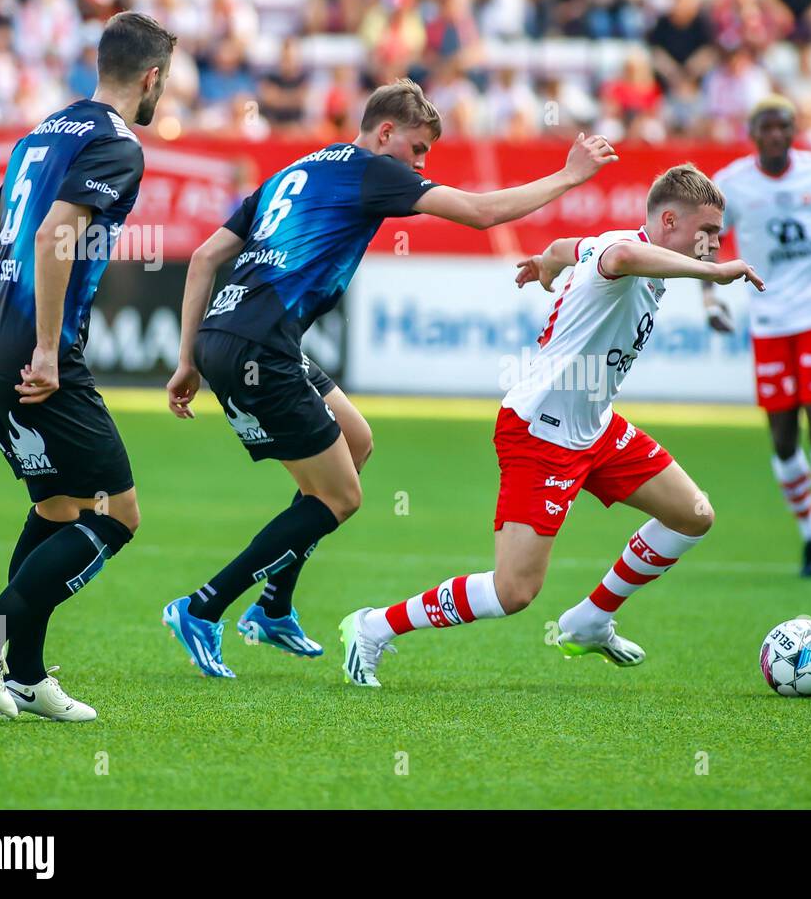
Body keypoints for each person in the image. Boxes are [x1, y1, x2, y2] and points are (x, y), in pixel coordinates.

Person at [161, 78, 618, 677]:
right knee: (341, 496)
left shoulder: (294, 170)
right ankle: (202, 608)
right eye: (419, 148)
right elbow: (479, 213)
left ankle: (273, 606)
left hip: (233, 332)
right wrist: (568, 177)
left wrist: (188, 357)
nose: (421, 164)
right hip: (261, 342)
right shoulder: (374, 169)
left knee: (356, 442)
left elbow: (203, 258)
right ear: (384, 134)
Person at [339, 164, 764, 687]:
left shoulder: (626, 253)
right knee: (513, 592)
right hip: (540, 431)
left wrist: (544, 263)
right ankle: (373, 626)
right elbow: (620, 256)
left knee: (694, 515)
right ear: (670, 220)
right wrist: (714, 274)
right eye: (708, 233)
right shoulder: (626, 251)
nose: (715, 244)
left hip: (597, 428)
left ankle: (590, 619)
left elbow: (569, 246)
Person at [0, 12, 177, 721]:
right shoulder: (118, 145)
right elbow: (53, 236)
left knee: (54, 509)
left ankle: (25, 675)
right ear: (152, 78)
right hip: (37, 357)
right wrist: (47, 348)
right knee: (116, 515)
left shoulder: (39, 133)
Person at [704, 96, 811, 578]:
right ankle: (810, 533)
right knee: (783, 438)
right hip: (769, 319)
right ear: (754, 133)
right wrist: (710, 297)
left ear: (794, 130)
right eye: (768, 127)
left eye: (785, 126)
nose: (778, 135)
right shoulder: (732, 184)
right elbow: (707, 239)